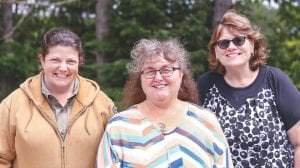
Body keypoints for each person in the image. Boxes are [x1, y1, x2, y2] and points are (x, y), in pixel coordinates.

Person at [97, 38, 233, 167]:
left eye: (166, 70)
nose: (158, 77)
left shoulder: (206, 123)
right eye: (149, 71)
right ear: (140, 79)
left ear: (181, 75)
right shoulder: (119, 127)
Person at [197, 10, 300, 168]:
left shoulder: (275, 80)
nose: (231, 47)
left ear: (252, 45)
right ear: (215, 52)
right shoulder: (205, 85)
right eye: (223, 43)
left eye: (238, 40)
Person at [0, 28, 116, 168]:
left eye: (70, 61)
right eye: (55, 60)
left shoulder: (102, 104)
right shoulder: (12, 105)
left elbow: (116, 157)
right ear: (42, 60)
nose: (63, 68)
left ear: (80, 61)